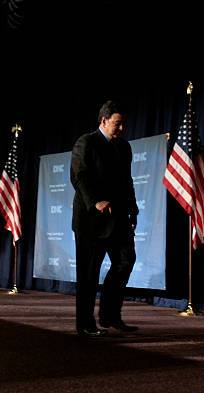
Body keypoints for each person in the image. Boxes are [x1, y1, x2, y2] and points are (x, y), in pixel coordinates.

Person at [71, 100, 139, 337]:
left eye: (123, 125)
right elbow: (78, 177)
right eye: (117, 124)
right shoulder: (86, 142)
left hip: (119, 218)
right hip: (91, 221)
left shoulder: (124, 147)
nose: (121, 129)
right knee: (88, 275)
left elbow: (127, 182)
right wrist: (95, 202)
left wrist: (133, 210)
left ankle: (110, 316)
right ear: (104, 120)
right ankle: (85, 324)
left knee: (125, 261)